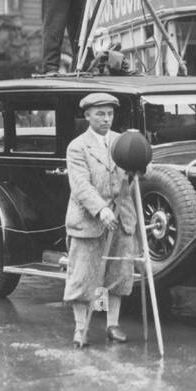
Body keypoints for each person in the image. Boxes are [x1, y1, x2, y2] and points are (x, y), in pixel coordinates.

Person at [64, 92, 138, 348]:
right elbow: (80, 185)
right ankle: (80, 328)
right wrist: (100, 209)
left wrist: (142, 163)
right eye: (100, 114)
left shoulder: (121, 142)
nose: (106, 119)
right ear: (87, 116)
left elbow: (138, 171)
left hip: (121, 218)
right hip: (89, 220)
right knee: (84, 275)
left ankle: (112, 324)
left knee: (117, 274)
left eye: (110, 114)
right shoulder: (77, 146)